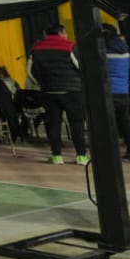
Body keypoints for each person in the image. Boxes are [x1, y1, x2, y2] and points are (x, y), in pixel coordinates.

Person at [29, 24, 88, 165]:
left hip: (49, 92)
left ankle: (56, 156)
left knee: (54, 124)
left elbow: (31, 72)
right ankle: (81, 156)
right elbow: (82, 67)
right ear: (61, 32)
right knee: (76, 123)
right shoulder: (70, 46)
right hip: (73, 91)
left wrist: (43, 84)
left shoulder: (36, 49)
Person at [101, 26, 130, 162]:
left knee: (107, 123)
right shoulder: (124, 49)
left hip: (107, 92)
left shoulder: (103, 51)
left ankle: (109, 152)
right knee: (126, 123)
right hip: (123, 91)